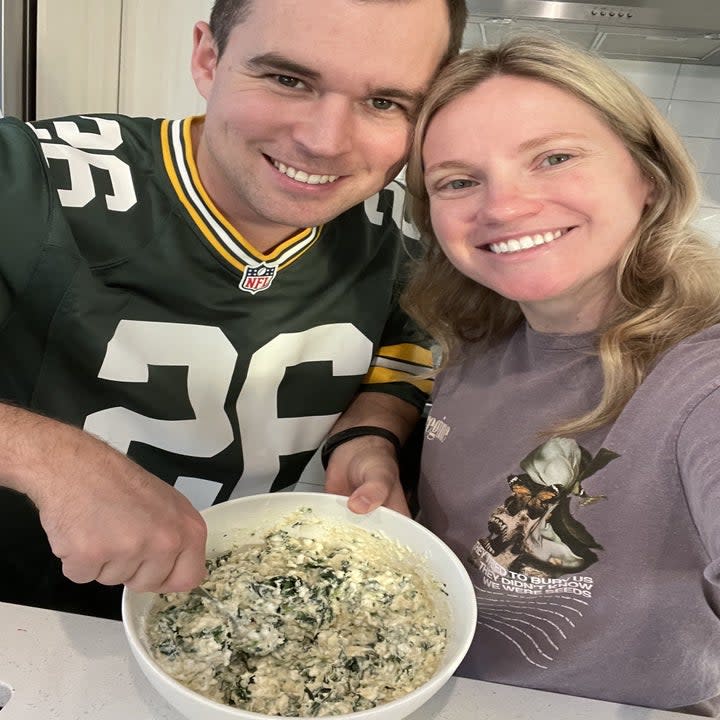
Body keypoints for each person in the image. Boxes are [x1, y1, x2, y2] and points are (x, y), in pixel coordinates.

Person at [0, 0, 468, 619]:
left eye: (384, 102)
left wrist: (371, 429)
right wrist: (44, 456)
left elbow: (406, 336)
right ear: (207, 58)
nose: (324, 142)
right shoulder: (28, 181)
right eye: (287, 79)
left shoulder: (413, 226)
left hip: (278, 634)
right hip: (32, 627)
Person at [402, 35, 720, 715]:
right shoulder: (475, 337)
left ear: (649, 179)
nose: (504, 207)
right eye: (457, 180)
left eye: (554, 158)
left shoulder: (700, 375)